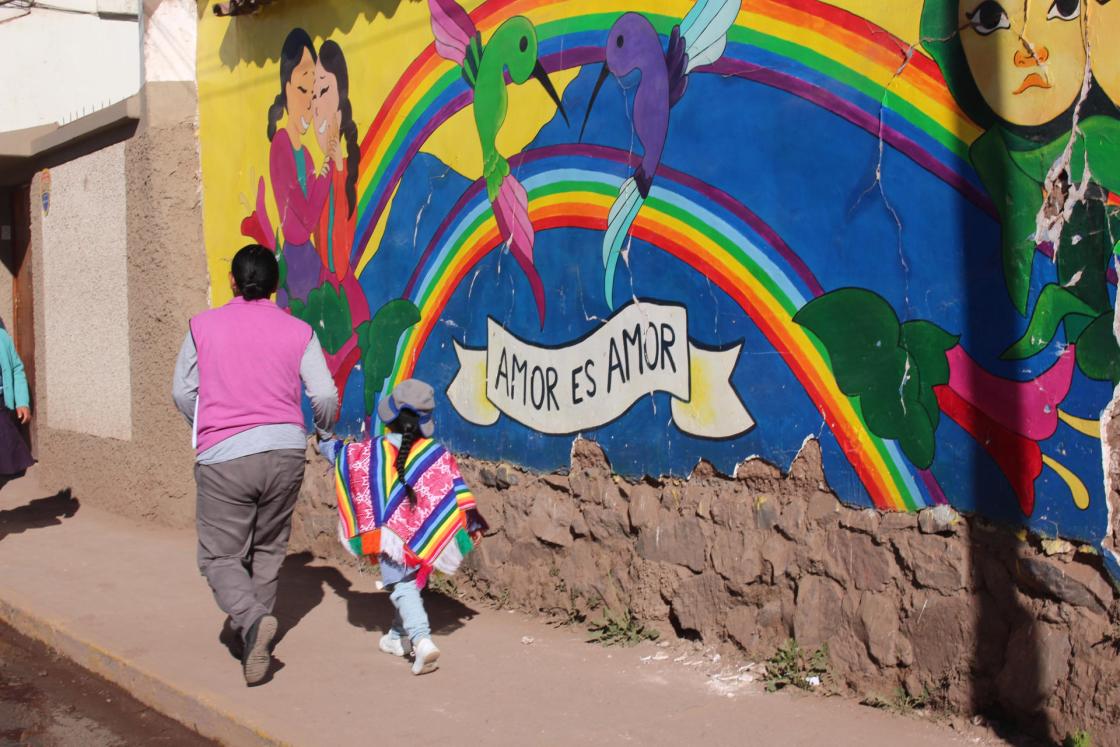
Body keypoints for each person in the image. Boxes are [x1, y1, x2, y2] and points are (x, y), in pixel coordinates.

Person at [172, 244, 338, 685]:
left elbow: (182, 392)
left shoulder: (201, 326)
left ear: (231, 280)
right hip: (285, 451)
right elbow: (322, 395)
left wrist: (206, 425)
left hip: (224, 455)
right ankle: (253, 635)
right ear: (275, 286)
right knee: (267, 549)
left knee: (219, 555)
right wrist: (322, 433)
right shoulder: (298, 330)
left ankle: (249, 619)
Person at [324, 379, 486, 675]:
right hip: (423, 535)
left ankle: (421, 640)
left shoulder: (371, 451)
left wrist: (325, 439)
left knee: (400, 584)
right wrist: (468, 520)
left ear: (392, 415)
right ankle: (397, 637)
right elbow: (455, 491)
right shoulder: (436, 455)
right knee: (410, 581)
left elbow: (342, 457)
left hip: (391, 537)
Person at [267, 28, 337, 307]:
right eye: (301, 90)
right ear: (286, 89)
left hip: (308, 258)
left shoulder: (306, 154)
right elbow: (307, 216)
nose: (309, 102)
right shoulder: (281, 147)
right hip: (295, 263)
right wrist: (328, 167)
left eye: (313, 92)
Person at [0, 327, 34, 487]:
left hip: (1, 407)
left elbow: (16, 369)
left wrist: (22, 402)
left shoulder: (2, 337)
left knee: (8, 463)